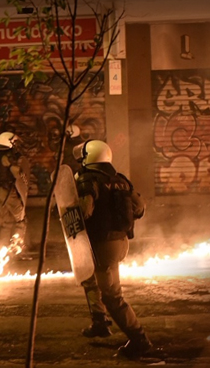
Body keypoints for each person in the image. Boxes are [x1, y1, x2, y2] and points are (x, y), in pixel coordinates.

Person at [74, 140, 152, 360]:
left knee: (113, 297)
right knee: (92, 279)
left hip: (103, 244)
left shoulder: (88, 179)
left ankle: (140, 341)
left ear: (89, 157)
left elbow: (85, 211)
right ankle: (99, 322)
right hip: (121, 242)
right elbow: (140, 208)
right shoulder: (120, 180)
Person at [0, 132, 29, 251]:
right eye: (13, 142)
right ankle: (17, 247)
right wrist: (22, 174)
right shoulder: (6, 155)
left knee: (7, 222)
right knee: (21, 219)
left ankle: (1, 247)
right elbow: (14, 171)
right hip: (6, 190)